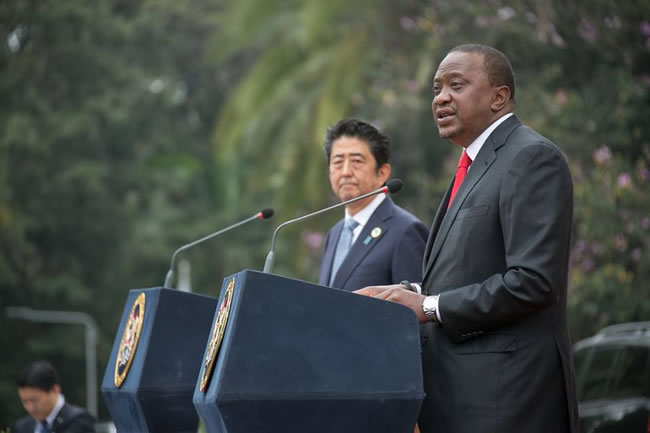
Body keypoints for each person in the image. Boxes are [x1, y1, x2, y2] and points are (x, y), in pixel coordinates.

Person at [357, 44, 579, 433]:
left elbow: (533, 282)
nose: (441, 97)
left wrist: (428, 305)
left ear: (499, 97)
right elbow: (470, 271)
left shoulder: (531, 158)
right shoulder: (474, 166)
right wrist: (406, 293)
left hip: (506, 403)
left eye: (456, 85)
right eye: (437, 88)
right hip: (459, 402)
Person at [319, 118, 428, 291]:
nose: (346, 172)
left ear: (382, 173)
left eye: (357, 161)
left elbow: (416, 310)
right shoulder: (335, 233)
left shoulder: (406, 231)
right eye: (338, 162)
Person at [15, 360, 96, 433]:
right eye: (25, 401)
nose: (30, 408)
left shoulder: (80, 421)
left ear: (54, 390)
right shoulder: (23, 426)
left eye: (35, 400)